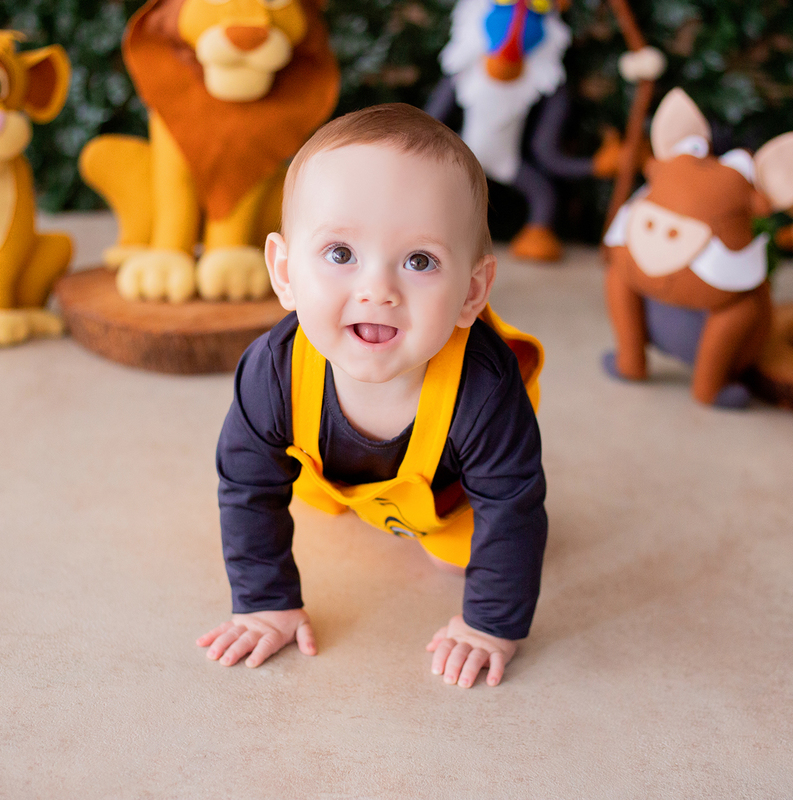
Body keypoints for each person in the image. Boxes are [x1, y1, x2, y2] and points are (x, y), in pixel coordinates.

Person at [197, 103, 547, 689]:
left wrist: (491, 625)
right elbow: (248, 485)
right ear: (284, 271)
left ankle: (428, 535)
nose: (377, 290)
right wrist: (264, 602)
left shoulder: (484, 391)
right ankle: (349, 496)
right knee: (298, 489)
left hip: (444, 494)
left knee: (457, 557)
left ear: (473, 291)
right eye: (340, 254)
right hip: (326, 469)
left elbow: (511, 506)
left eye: (419, 261)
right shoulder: (271, 373)